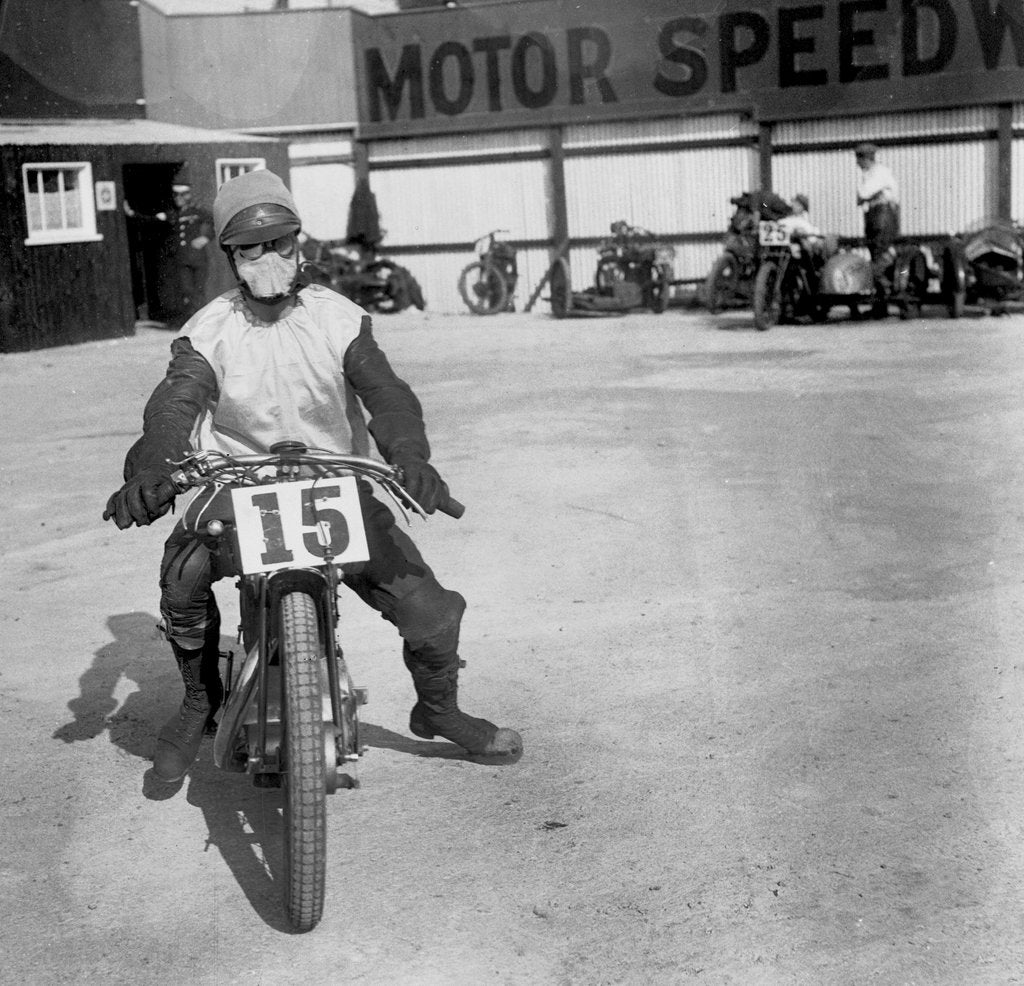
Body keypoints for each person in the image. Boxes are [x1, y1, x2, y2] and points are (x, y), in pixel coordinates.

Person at [103, 169, 522, 783]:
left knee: (431, 613)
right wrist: (154, 464)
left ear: (300, 244)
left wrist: (410, 454)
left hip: (334, 483)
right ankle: (201, 700)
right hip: (240, 484)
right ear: (231, 255)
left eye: (280, 242)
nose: (268, 257)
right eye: (251, 247)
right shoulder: (207, 331)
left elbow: (387, 393)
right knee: (183, 578)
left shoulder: (339, 318)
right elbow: (174, 405)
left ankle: (438, 708)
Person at [125, 171, 213, 326]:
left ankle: (203, 323)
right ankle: (194, 321)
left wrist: (205, 238)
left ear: (188, 196)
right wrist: (132, 213)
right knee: (187, 291)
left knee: (199, 291)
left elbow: (213, 221)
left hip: (198, 259)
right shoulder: (172, 215)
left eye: (182, 195)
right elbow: (152, 219)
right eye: (176, 196)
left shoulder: (198, 212)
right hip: (182, 259)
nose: (178, 199)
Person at [855, 143, 900, 317]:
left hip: (883, 216)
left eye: (859, 159)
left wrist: (863, 195)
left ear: (866, 158)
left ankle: (886, 294)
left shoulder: (879, 173)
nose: (857, 164)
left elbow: (863, 195)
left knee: (880, 256)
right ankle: (881, 305)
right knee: (875, 253)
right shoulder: (870, 174)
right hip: (875, 215)